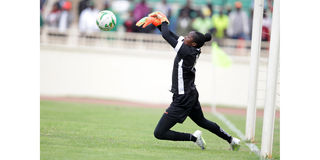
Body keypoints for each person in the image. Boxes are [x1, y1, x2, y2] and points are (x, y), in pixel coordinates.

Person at [136, 12, 241, 150]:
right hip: (190, 93)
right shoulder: (191, 47)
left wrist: (164, 21)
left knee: (159, 133)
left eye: (188, 37)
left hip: (183, 98)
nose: (185, 37)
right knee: (202, 121)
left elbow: (167, 36)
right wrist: (157, 24)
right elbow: (171, 35)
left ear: (193, 43)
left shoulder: (187, 51)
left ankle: (193, 138)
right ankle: (232, 140)